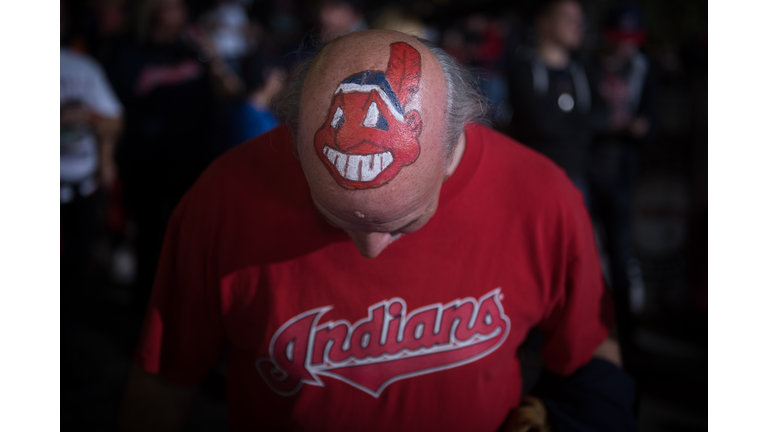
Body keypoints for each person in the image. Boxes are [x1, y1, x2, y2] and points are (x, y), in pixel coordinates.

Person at [117, 30, 634, 431]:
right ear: (294, 139)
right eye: (334, 217)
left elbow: (592, 346)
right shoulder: (223, 199)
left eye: (404, 223)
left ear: (458, 135)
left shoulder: (539, 195)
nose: (370, 251)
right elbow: (165, 378)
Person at [506, 0, 595, 202]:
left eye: (579, 19)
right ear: (544, 22)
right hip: (533, 178)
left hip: (576, 178)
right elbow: (540, 122)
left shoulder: (583, 71)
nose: (576, 25)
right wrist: (578, 124)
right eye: (567, 18)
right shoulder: (525, 69)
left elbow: (599, 116)